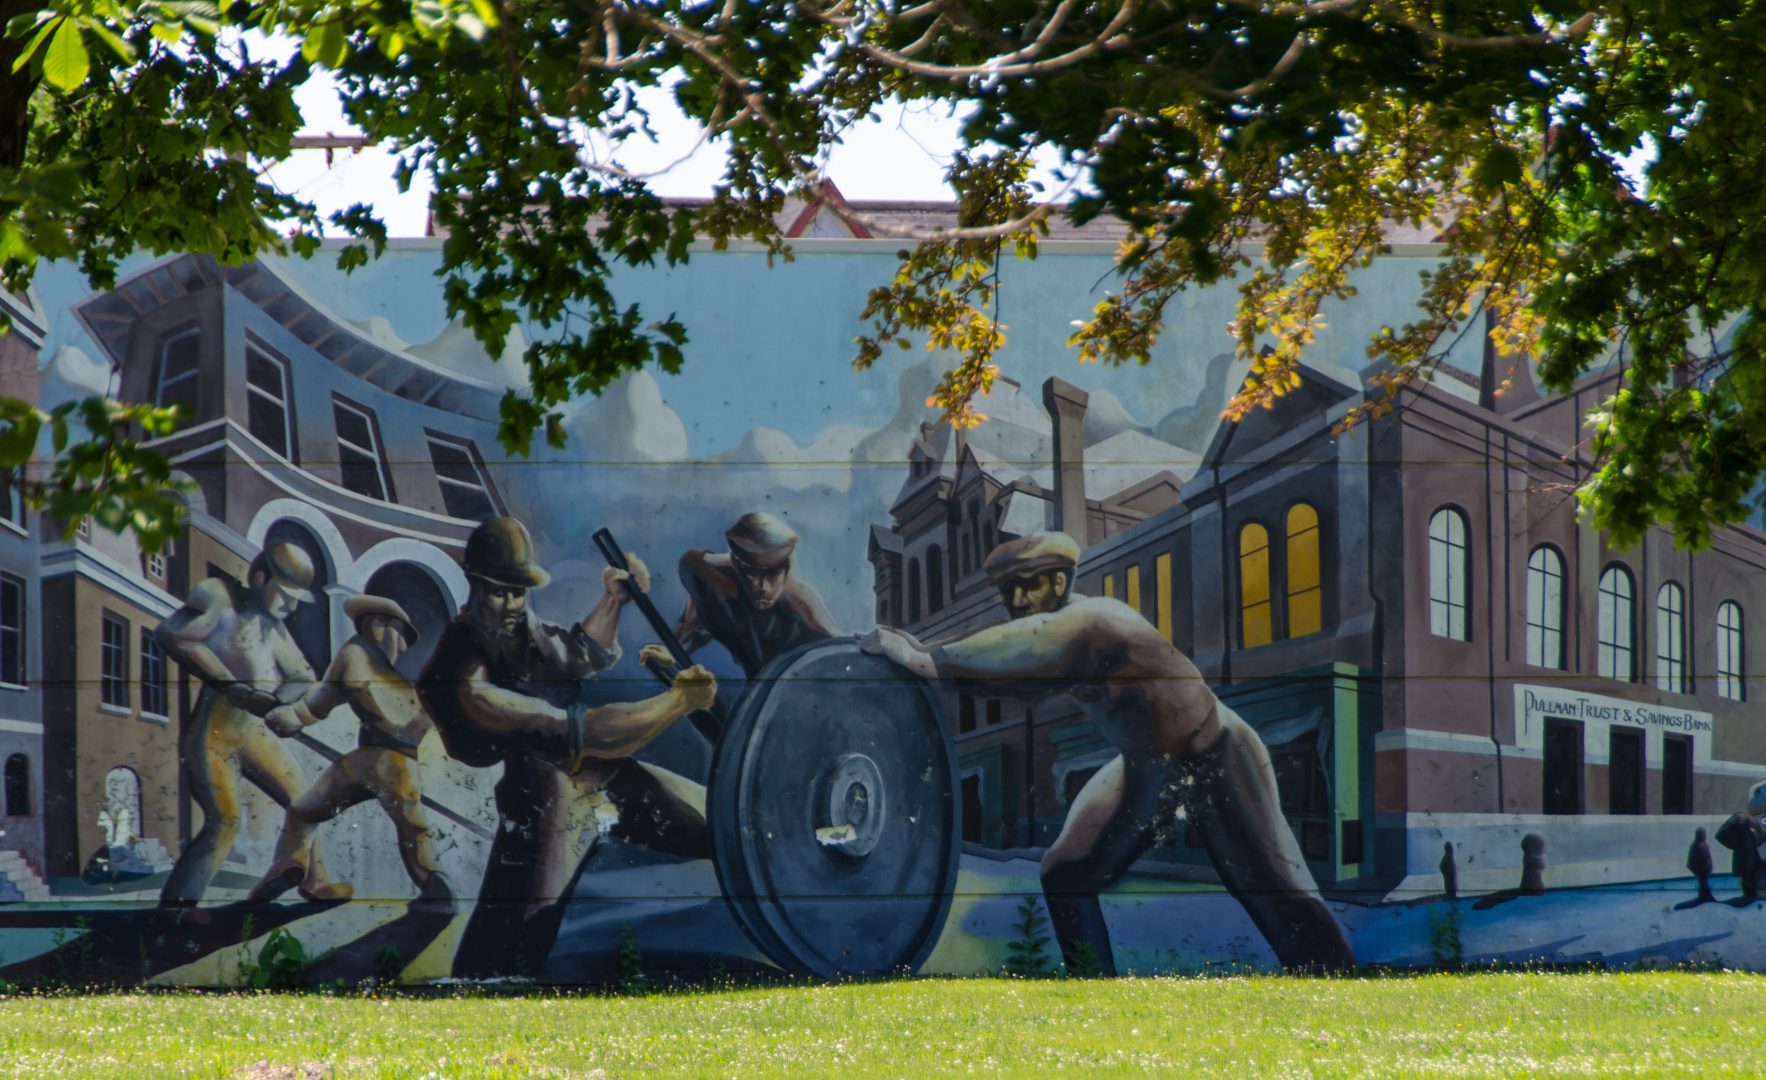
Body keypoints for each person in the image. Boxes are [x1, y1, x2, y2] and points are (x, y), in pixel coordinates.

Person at [864, 531, 1355, 973]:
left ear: (1061, 580)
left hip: (1214, 750)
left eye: (1030, 583)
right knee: (1067, 874)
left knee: (1279, 895)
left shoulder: (1095, 618)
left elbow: (1031, 644)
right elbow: (1016, 666)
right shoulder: (1052, 628)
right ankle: (1092, 987)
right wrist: (925, 651)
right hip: (1147, 766)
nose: (1016, 599)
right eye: (1007, 588)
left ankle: (1338, 987)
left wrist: (927, 657)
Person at [417, 516, 717, 975]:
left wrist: (612, 602)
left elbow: (575, 653)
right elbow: (584, 731)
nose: (511, 603)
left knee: (714, 829)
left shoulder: (519, 632)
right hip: (534, 800)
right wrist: (676, 701)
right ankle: (492, 981)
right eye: (499, 591)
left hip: (579, 778)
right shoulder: (462, 678)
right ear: (474, 584)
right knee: (516, 933)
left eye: (518, 591)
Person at [153, 542, 343, 918]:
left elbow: (304, 676)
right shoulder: (219, 599)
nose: (291, 607)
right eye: (286, 596)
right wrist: (232, 687)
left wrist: (282, 706)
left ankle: (309, 879)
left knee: (306, 802)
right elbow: (173, 636)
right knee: (225, 820)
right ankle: (177, 906)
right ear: (259, 577)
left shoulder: (273, 627)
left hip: (251, 731)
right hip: (212, 735)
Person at [250, 595, 447, 906]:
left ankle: (292, 863)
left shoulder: (389, 674)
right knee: (411, 826)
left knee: (304, 813)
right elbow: (330, 696)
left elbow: (326, 698)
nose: (404, 647)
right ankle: (437, 887)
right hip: (385, 761)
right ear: (377, 624)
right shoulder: (357, 653)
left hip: (375, 761)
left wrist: (294, 718)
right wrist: (293, 717)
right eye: (401, 635)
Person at [639, 511, 836, 679]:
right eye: (752, 573)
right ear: (736, 565)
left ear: (787, 568)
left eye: (773, 573)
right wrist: (669, 651)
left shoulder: (803, 607)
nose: (762, 586)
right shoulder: (709, 579)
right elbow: (690, 625)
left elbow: (840, 658)